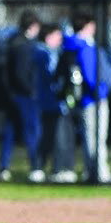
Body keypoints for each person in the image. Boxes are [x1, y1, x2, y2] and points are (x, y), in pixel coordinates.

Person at [64, 12, 111, 184]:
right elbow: (90, 74)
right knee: (97, 138)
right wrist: (99, 92)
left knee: (90, 138)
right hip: (94, 98)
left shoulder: (72, 45)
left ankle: (91, 171)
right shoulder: (85, 47)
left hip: (87, 99)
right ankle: (99, 172)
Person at [0, 11, 43, 182]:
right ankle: (35, 167)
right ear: (32, 27)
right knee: (31, 132)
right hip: (23, 96)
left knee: (9, 133)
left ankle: (4, 167)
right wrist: (30, 90)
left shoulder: (12, 42)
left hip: (12, 95)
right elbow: (20, 74)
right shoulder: (24, 46)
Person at [35, 23, 76, 182]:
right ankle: (56, 168)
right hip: (52, 103)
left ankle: (58, 168)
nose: (60, 39)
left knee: (58, 136)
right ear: (48, 36)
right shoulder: (44, 53)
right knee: (55, 137)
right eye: (57, 36)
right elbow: (53, 77)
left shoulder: (53, 53)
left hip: (55, 104)